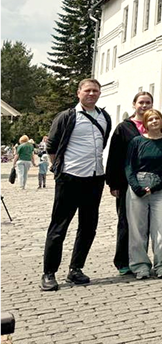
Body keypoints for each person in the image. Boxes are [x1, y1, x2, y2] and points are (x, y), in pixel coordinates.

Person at [41, 79, 113, 291]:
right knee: (59, 226)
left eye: (95, 91)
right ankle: (49, 273)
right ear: (78, 93)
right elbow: (52, 146)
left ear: (100, 93)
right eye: (87, 90)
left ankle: (76, 269)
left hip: (95, 176)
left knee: (88, 226)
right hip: (70, 176)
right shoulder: (67, 116)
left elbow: (102, 143)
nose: (91, 94)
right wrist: (58, 169)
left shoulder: (104, 117)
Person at [125, 109, 162, 279]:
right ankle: (140, 266)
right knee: (137, 229)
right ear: (145, 124)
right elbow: (129, 166)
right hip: (138, 187)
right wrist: (136, 187)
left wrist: (157, 185)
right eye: (150, 119)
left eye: (157, 118)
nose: (154, 121)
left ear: (161, 121)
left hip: (159, 188)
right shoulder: (137, 142)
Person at [105, 91, 153, 275]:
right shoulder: (124, 128)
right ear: (134, 104)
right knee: (126, 222)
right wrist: (114, 183)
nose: (144, 106)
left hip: (149, 182)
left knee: (144, 223)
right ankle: (123, 261)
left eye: (148, 102)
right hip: (126, 182)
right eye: (141, 102)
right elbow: (114, 156)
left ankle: (140, 259)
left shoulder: (156, 124)